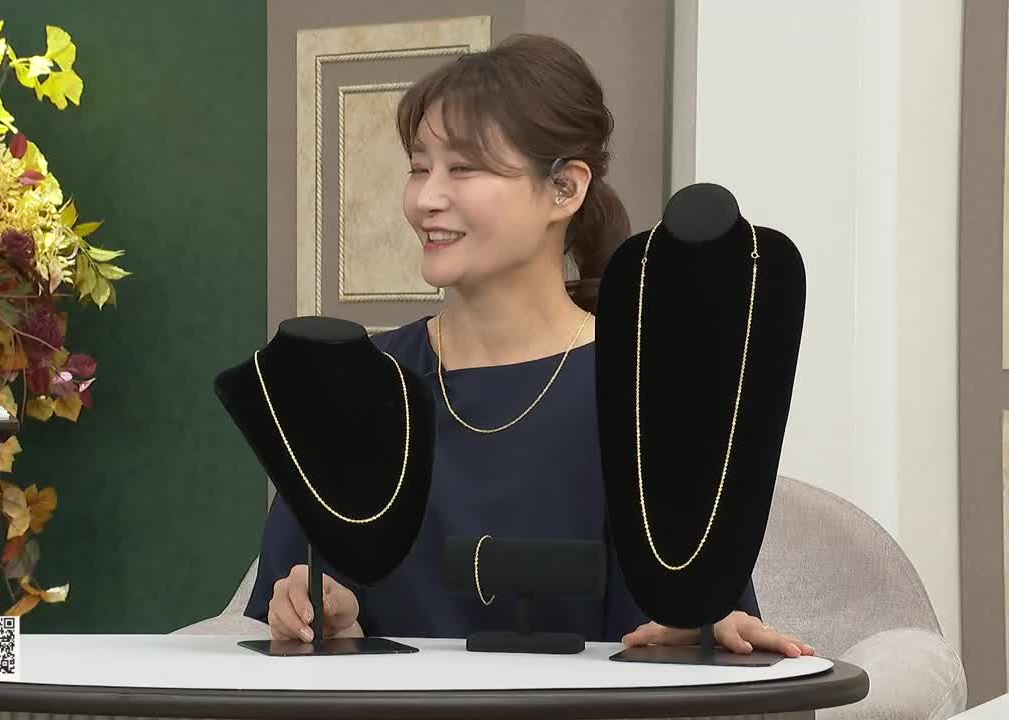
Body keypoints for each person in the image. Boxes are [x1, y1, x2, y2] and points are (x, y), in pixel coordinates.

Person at [243, 33, 814, 658]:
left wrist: (701, 628)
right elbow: (302, 615)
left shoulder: (648, 396)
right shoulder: (351, 383)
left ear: (565, 189)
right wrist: (320, 614)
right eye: (417, 166)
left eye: (463, 168)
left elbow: (688, 621)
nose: (426, 198)